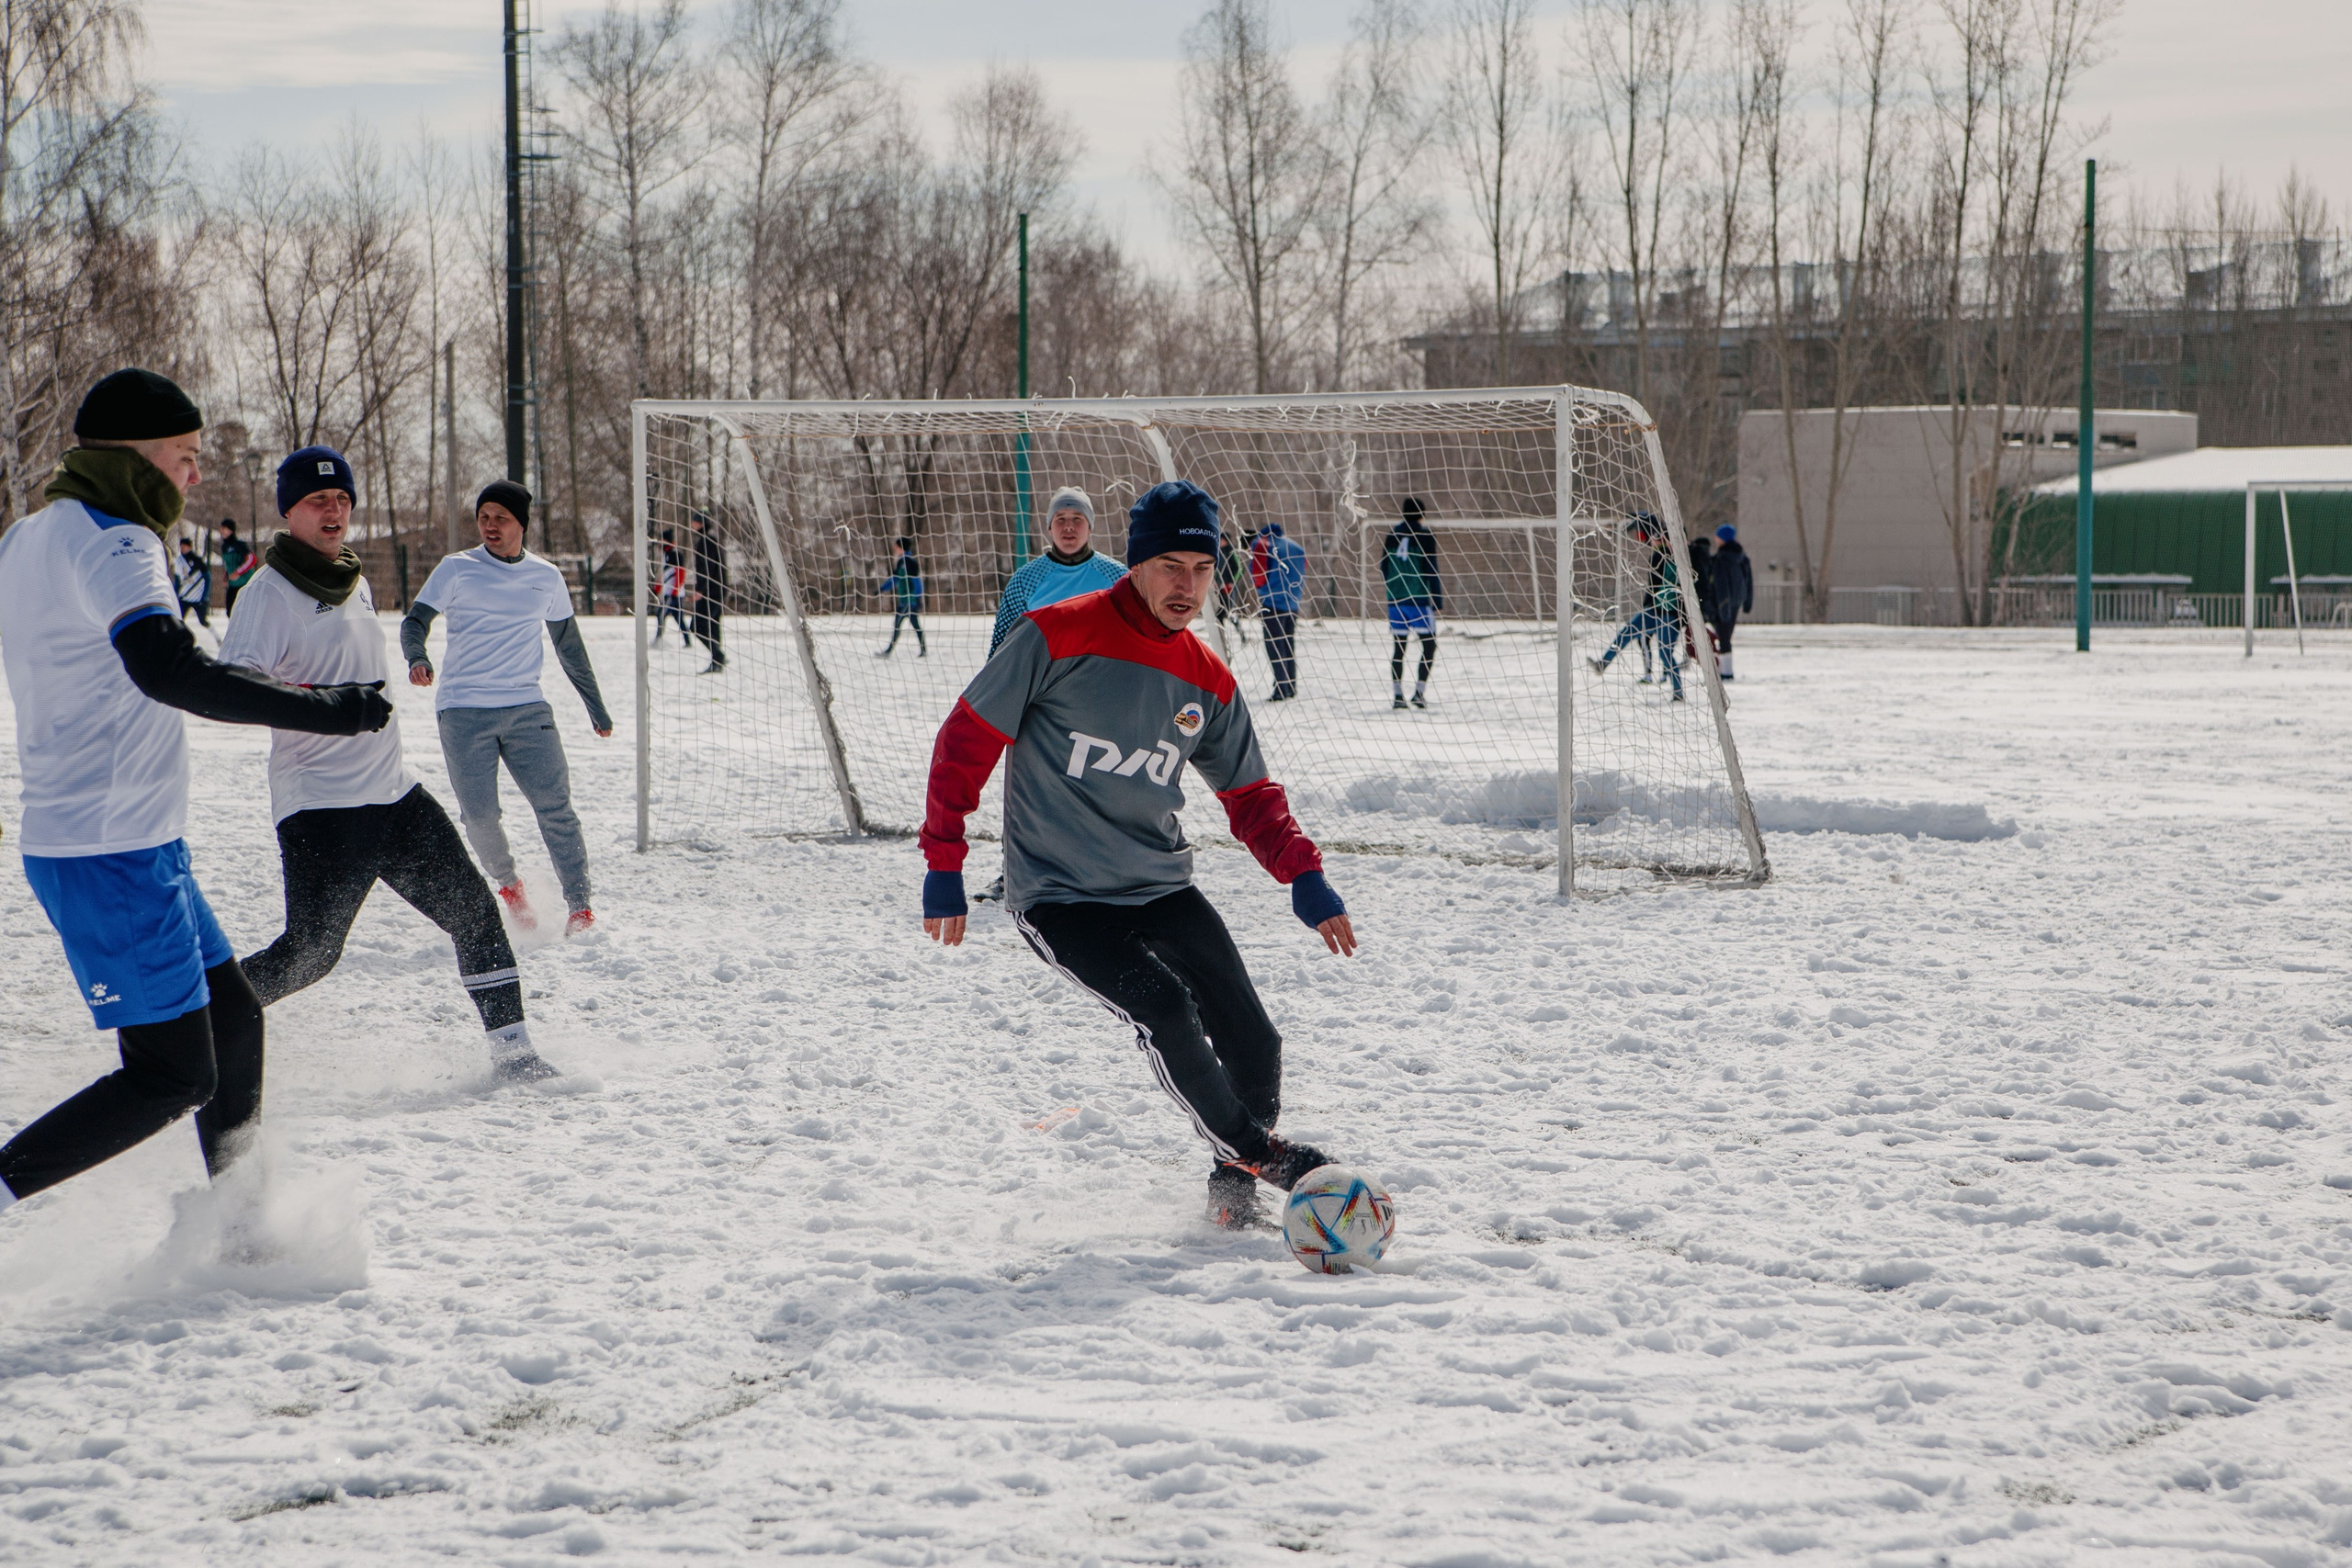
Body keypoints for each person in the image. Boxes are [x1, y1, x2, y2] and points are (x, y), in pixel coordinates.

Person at [0, 368, 391, 1214]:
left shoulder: (29, 535)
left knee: (237, 1021)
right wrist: (333, 708)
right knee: (172, 1074)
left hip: (133, 841)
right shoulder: (117, 539)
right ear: (137, 453)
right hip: (111, 851)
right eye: (185, 454)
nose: (195, 473)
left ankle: (240, 1224)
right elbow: (170, 669)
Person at [919, 479, 1359, 1231]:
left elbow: (1251, 795)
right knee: (1164, 1007)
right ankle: (1262, 1154)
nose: (1186, 585)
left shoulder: (1207, 676)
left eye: (1200, 568)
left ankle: (1231, 1195)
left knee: (1254, 1035)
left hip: (1159, 886)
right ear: (1137, 565)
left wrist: (1304, 875)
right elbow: (965, 741)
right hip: (1060, 897)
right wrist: (944, 864)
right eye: (1170, 566)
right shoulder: (1056, 633)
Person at [222, 446, 558, 1085]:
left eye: (343, 499)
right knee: (310, 956)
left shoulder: (353, 576)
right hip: (321, 807)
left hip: (394, 794)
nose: (335, 511)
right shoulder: (266, 595)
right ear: (288, 509)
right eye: (320, 500)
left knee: (475, 913)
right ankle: (196, 1023)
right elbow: (234, 689)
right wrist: (332, 708)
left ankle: (515, 1056)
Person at [401, 480, 614, 938]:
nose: (490, 525)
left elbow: (570, 648)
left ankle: (580, 908)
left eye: (500, 517)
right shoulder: (456, 568)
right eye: (483, 516)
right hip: (463, 712)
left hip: (526, 709)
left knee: (556, 807)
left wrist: (595, 707)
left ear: (521, 523)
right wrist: (417, 657)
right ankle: (510, 886)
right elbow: (415, 620)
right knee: (479, 816)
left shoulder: (546, 576)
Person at [989, 486, 1127, 656]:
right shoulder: (1025, 580)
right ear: (1050, 528)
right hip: (1046, 678)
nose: (1069, 526)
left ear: (1090, 527)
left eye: (1077, 519)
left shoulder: (1118, 577)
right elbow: (1003, 644)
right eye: (1060, 519)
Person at [1588, 515, 1686, 702]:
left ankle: (1678, 691)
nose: (1653, 541)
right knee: (1626, 633)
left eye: (1657, 538)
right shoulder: (1659, 555)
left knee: (1665, 653)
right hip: (1654, 610)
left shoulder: (1675, 557)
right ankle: (1603, 664)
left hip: (1670, 613)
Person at [1383, 498, 1442, 709]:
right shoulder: (1425, 535)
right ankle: (1419, 692)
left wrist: (1392, 590)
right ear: (1421, 514)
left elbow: (1383, 566)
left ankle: (1398, 696)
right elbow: (1431, 567)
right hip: (1418, 599)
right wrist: (1437, 597)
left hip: (1396, 600)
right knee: (1429, 645)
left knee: (1399, 648)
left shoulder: (1392, 535)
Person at [1250, 521, 1306, 702]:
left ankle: (1280, 689)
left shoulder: (1262, 543)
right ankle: (1291, 685)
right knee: (1288, 644)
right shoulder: (1296, 546)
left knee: (1274, 646)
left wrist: (1261, 590)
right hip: (1293, 603)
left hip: (1272, 601)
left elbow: (1258, 573)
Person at [1706, 524, 1753, 680]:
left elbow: (1721, 584)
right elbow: (1748, 580)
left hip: (1723, 602)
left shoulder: (1721, 559)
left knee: (1724, 637)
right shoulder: (1742, 557)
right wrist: (1747, 601)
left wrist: (1721, 603)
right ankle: (1725, 669)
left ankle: (1726, 672)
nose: (1715, 538)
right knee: (1725, 636)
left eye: (1718, 536)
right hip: (1735, 601)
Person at [873, 536, 926, 658]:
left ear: (901, 547)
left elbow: (917, 581)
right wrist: (882, 589)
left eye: (896, 546)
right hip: (904, 600)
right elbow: (896, 579)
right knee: (914, 625)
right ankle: (923, 650)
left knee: (898, 624)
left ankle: (888, 652)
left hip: (909, 601)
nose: (894, 548)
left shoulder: (909, 562)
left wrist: (918, 598)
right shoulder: (901, 561)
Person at [687, 510, 727, 673]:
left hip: (711, 591)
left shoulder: (705, 541)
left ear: (700, 523)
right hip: (719, 590)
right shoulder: (712, 539)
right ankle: (716, 661)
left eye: (694, 521)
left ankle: (718, 656)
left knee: (697, 625)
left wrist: (700, 590)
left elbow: (707, 568)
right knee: (713, 625)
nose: (691, 524)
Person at [651, 527, 690, 647]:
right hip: (669, 591)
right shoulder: (665, 555)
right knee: (678, 618)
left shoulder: (675, 554)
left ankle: (658, 640)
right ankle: (687, 641)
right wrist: (657, 587)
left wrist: (675, 590)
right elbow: (665, 575)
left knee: (661, 614)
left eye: (662, 539)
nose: (660, 542)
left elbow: (680, 574)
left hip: (674, 593)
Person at [219, 518, 257, 615]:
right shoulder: (224, 547)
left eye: (224, 528)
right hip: (233, 584)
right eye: (221, 528)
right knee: (230, 612)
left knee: (245, 612)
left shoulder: (239, 545)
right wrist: (226, 576)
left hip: (244, 583)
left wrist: (238, 572)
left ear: (231, 530)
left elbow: (252, 559)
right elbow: (229, 564)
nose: (222, 531)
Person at [174, 536, 211, 628]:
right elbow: (177, 579)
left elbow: (208, 577)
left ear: (189, 547)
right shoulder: (178, 561)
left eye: (185, 546)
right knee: (178, 620)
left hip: (197, 596)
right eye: (181, 546)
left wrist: (205, 596)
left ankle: (217, 638)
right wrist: (175, 594)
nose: (182, 548)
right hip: (184, 596)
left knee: (203, 621)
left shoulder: (196, 560)